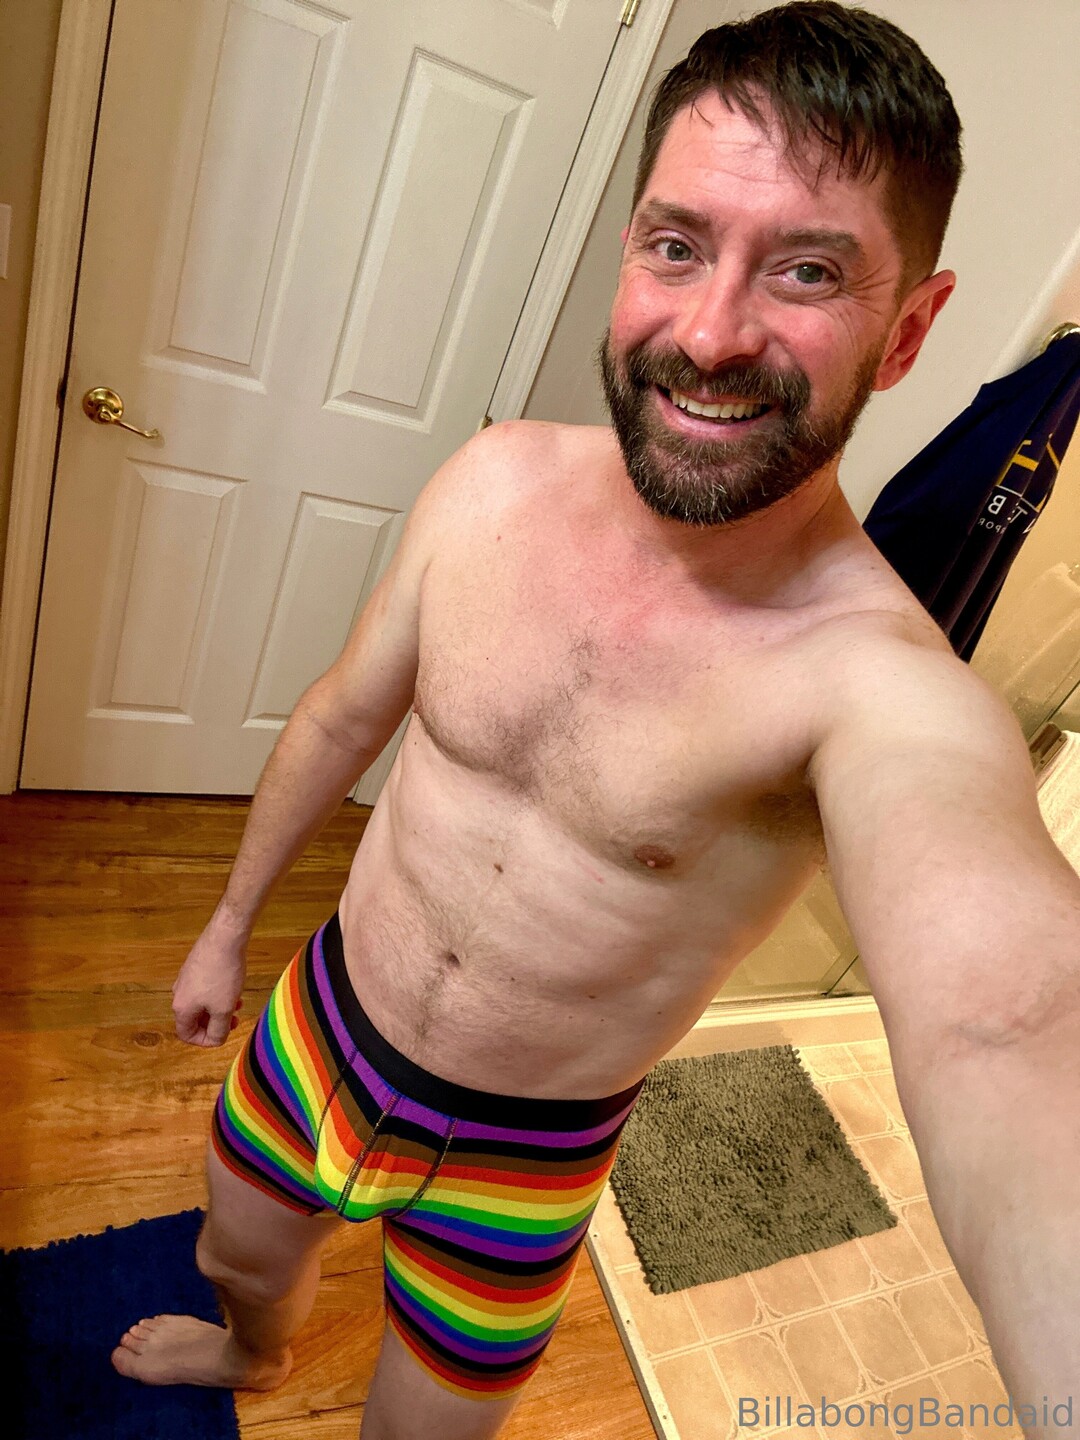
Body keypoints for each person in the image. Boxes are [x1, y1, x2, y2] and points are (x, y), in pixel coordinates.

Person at [111, 4, 1080, 1437]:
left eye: (808, 269)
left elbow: (1015, 1026)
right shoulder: (490, 483)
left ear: (909, 331)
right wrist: (225, 926)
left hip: (526, 1153)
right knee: (236, 1263)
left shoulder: (879, 686)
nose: (710, 332)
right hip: (324, 1024)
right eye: (676, 245)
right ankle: (254, 1358)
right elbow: (338, 717)